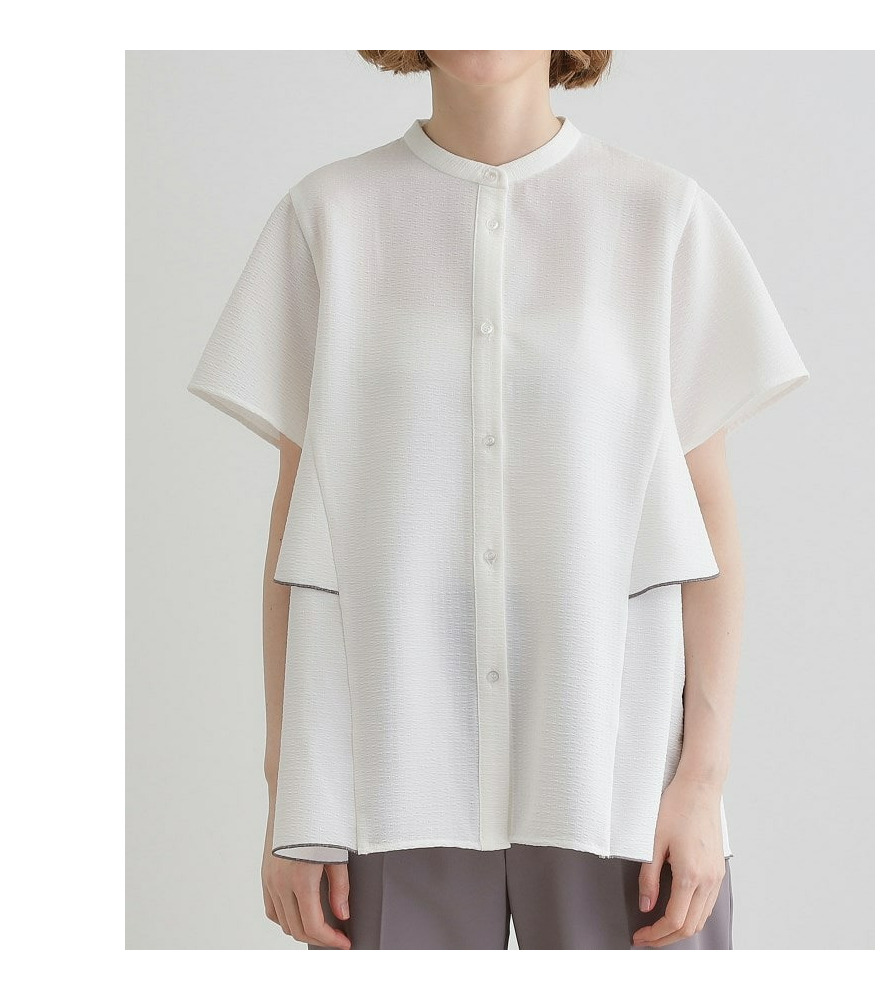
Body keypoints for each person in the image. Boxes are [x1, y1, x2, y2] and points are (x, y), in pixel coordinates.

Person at [187, 49, 810, 950]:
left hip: (619, 772)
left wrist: (702, 783)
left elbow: (708, 519)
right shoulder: (329, 218)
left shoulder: (660, 216)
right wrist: (292, 796)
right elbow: (299, 526)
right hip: (388, 774)